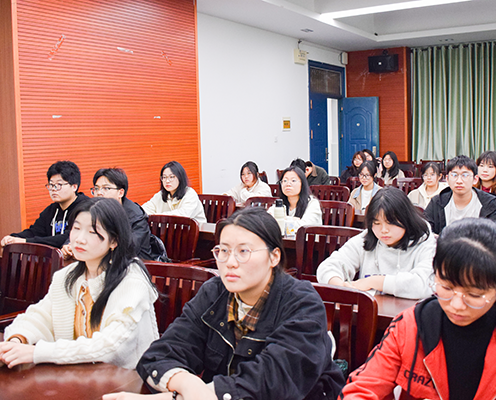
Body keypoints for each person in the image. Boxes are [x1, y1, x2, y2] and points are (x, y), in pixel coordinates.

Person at [103, 207, 345, 400]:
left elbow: (273, 382)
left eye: (243, 251)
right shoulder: (215, 292)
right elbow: (158, 355)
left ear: (274, 257)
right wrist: (187, 385)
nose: (230, 262)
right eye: (223, 251)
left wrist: (177, 397)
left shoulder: (302, 303)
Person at [339, 218, 496, 400]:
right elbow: (364, 387)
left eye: (474, 295)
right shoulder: (411, 326)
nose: (457, 305)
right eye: (446, 288)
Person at [0, 197, 158, 370]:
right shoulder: (67, 276)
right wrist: (16, 341)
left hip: (127, 379)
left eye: (92, 232)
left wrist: (37, 352)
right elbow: (40, 317)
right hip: (76, 375)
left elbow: (111, 346)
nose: (79, 239)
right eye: (76, 228)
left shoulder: (131, 280)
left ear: (114, 241)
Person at [317, 187, 435, 298]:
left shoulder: (425, 241)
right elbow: (328, 267)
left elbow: (425, 284)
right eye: (377, 223)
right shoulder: (368, 238)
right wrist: (339, 285)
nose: (383, 230)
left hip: (410, 311)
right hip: (371, 311)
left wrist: (374, 282)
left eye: (390, 223)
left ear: (406, 219)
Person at [1, 161, 88, 252]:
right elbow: (34, 232)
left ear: (74, 187)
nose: (53, 189)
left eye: (59, 185)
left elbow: (68, 237)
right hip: (54, 258)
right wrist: (13, 238)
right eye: (51, 185)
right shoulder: (51, 210)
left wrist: (26, 241)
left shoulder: (86, 209)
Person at [424, 155, 496, 235]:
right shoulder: (437, 202)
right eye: (454, 175)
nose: (459, 181)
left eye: (465, 175)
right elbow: (424, 230)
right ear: (447, 179)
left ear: (475, 179)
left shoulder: (489, 203)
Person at [89, 168, 152, 260]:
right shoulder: (94, 209)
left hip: (136, 263)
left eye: (106, 188)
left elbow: (129, 248)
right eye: (96, 188)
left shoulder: (136, 216)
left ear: (120, 193)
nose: (99, 193)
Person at [142, 161, 207, 225]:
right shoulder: (160, 195)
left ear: (180, 178)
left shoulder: (190, 194)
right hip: (171, 230)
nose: (167, 181)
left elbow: (182, 216)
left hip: (196, 230)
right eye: (164, 177)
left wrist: (156, 217)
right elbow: (144, 210)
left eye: (171, 177)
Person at [268, 166, 322, 230]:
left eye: (293, 180)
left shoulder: (312, 203)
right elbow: (267, 221)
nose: (288, 184)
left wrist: (282, 220)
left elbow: (304, 227)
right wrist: (291, 219)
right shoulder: (280, 204)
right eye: (285, 181)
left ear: (302, 184)